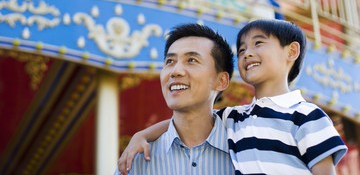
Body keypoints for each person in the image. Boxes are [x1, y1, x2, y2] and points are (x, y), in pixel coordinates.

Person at [118, 19, 347, 175]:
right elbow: (190, 119)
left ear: (292, 51)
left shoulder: (307, 115)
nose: (247, 53)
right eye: (241, 50)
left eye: (258, 43)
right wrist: (143, 135)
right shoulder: (238, 117)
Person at [114, 23, 235, 174]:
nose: (175, 71)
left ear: (221, 81)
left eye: (191, 60)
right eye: (170, 61)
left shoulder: (245, 152)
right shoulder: (135, 163)